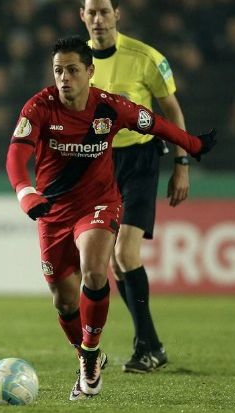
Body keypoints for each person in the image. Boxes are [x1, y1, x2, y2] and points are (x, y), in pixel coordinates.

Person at [5, 35, 215, 400]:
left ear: (90, 71)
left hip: (98, 203)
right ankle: (89, 353)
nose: (64, 78)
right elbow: (15, 157)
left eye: (72, 70)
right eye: (58, 71)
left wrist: (192, 145)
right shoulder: (39, 107)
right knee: (63, 300)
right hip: (53, 210)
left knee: (95, 269)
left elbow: (155, 125)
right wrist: (26, 193)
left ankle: (88, 358)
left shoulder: (109, 107)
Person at [81, 0, 189, 373]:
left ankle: (147, 345)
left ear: (117, 15)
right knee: (112, 261)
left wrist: (181, 162)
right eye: (91, 12)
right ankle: (152, 344)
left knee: (126, 255)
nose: (98, 19)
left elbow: (171, 110)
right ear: (82, 16)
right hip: (100, 164)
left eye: (104, 12)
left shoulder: (144, 57)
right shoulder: (77, 63)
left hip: (140, 160)